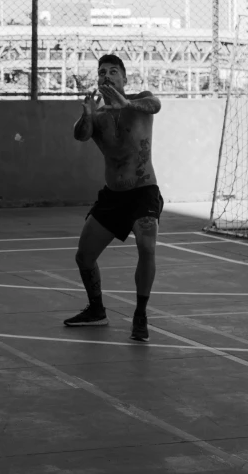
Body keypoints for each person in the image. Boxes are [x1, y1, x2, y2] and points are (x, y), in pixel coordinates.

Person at [64, 54, 163, 342]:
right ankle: (96, 311)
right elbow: (80, 135)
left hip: (143, 191)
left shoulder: (140, 102)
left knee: (146, 246)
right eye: (102, 72)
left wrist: (126, 103)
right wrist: (87, 114)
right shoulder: (98, 115)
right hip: (113, 197)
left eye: (113, 72)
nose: (107, 76)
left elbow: (156, 104)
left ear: (124, 78)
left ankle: (140, 315)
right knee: (84, 257)